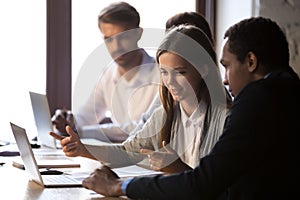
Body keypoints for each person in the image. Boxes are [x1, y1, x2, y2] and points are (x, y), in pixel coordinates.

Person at [80, 16, 299, 199]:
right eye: (164, 73)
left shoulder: (256, 101)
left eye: (227, 66)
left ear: (251, 62)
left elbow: (204, 184)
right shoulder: (287, 92)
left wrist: (120, 187)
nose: (224, 80)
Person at [50, 24, 229, 174]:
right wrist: (82, 149)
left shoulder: (226, 119)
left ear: (204, 68)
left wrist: (178, 169)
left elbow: (218, 186)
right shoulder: (165, 115)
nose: (170, 82)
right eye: (164, 73)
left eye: (180, 73)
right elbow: (127, 152)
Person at [52, 2, 159, 143]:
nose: (116, 47)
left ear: (138, 34)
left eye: (124, 37)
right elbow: (86, 116)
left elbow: (140, 128)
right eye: (109, 39)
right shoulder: (108, 75)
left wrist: (80, 132)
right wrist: (68, 122)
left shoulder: (161, 74)